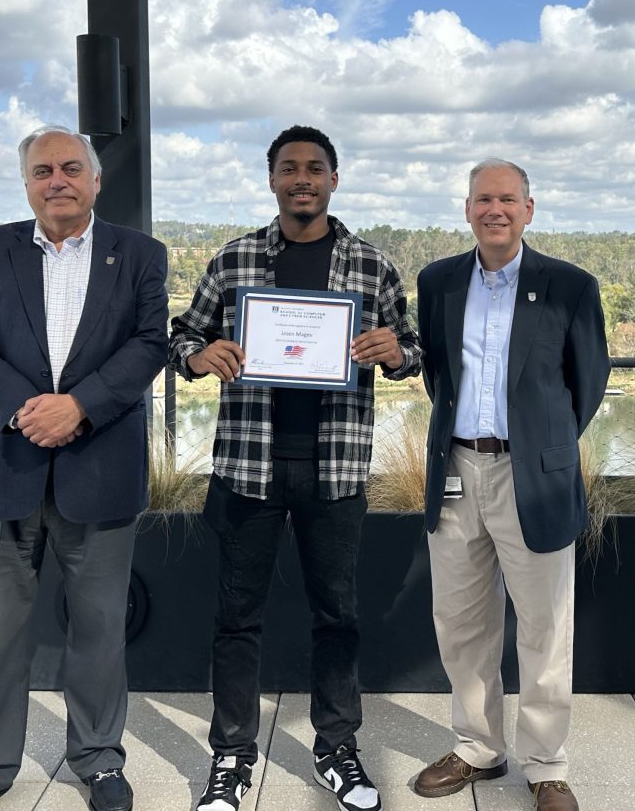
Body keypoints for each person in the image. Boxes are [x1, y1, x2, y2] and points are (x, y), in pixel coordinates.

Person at [169, 125, 421, 811]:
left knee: (337, 615)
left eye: (314, 168)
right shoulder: (234, 259)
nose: (302, 178)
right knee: (236, 617)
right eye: (289, 169)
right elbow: (183, 335)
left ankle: (336, 748)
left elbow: (414, 348)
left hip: (335, 471)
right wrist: (198, 357)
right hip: (248, 467)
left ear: (334, 180)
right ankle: (232, 755)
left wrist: (394, 352)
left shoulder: (372, 265)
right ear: (272, 179)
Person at [0, 127, 168, 811]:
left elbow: (150, 341)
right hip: (3, 464)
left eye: (72, 168)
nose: (58, 180)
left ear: (96, 181)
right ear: (28, 183)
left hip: (98, 465)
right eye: (44, 171)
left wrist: (80, 407)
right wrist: (22, 409)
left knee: (99, 630)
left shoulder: (139, 255)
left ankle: (99, 761)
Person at [414, 158, 609, 811]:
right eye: (482, 199)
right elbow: (438, 377)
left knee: (544, 627)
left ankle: (546, 764)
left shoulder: (570, 286)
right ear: (466, 209)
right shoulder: (437, 282)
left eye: (507, 199)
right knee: (462, 621)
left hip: (535, 477)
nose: (494, 209)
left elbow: (589, 384)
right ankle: (477, 747)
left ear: (529, 209)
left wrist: (541, 446)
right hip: (455, 472)